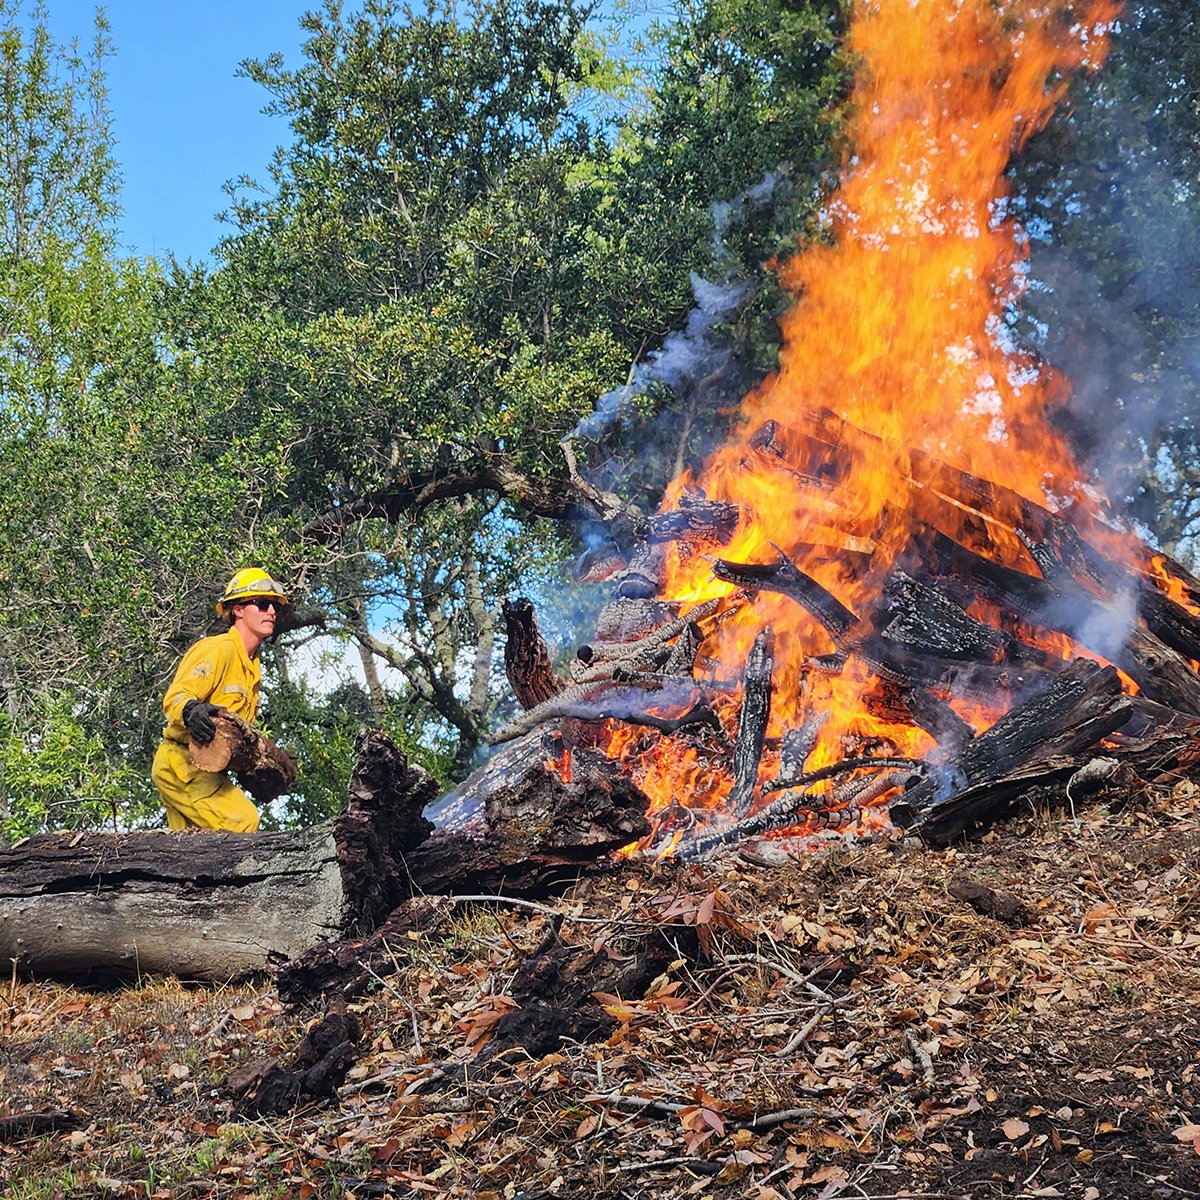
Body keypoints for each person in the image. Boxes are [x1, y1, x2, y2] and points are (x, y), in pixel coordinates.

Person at [151, 568, 288, 832]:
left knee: (190, 854)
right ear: (237, 610)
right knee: (244, 821)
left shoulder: (252, 669)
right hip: (181, 765)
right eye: (261, 604)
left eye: (274, 606)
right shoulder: (218, 649)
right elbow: (176, 696)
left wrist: (266, 760)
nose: (271, 611)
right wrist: (191, 710)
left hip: (207, 772)